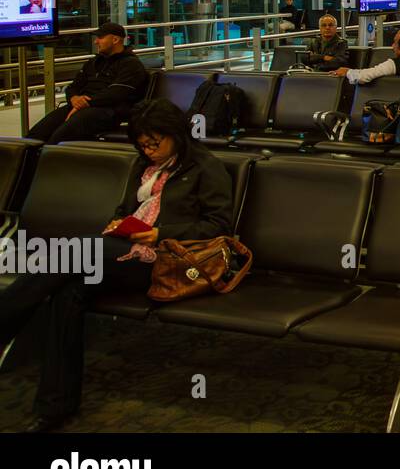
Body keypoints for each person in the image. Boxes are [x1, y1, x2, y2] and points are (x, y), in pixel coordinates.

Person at [0, 99, 234, 432]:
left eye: (156, 142)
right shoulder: (144, 168)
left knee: (76, 249)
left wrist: (159, 233)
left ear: (177, 134)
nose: (149, 150)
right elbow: (125, 209)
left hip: (165, 259)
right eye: (143, 144)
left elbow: (219, 225)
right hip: (124, 252)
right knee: (68, 293)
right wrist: (119, 223)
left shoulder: (205, 167)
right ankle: (54, 408)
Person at [28, 22, 149, 144]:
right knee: (38, 132)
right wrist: (74, 98)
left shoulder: (131, 64)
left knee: (60, 137)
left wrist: (86, 102)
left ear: (115, 39)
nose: (96, 42)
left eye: (100, 38)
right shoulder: (94, 62)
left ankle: (48, 159)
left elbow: (116, 94)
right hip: (82, 106)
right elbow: (73, 87)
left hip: (108, 111)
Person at [334, 29, 400, 84]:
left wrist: (348, 72)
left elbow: (364, 77)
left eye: (394, 43)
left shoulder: (395, 64)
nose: (392, 46)